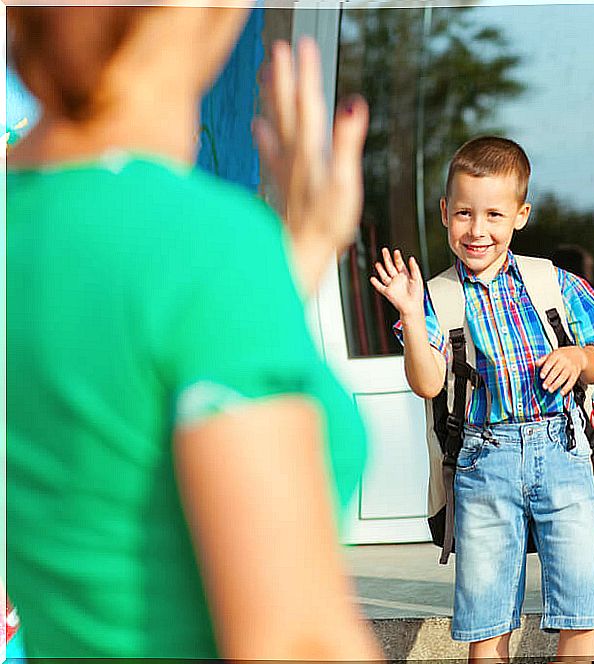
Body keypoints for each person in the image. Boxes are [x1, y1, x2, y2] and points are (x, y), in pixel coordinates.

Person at [6, 7, 381, 660]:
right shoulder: (207, 248)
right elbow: (295, 643)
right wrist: (248, 262)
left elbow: (121, 385)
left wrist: (302, 252)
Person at [370, 136, 594, 661]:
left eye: (493, 214)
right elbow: (427, 383)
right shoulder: (437, 297)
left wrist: (577, 358)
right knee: (487, 621)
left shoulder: (553, 282)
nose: (477, 229)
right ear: (444, 213)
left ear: (520, 215)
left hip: (563, 452)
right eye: (464, 213)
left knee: (579, 609)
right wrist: (413, 319)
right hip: (484, 461)